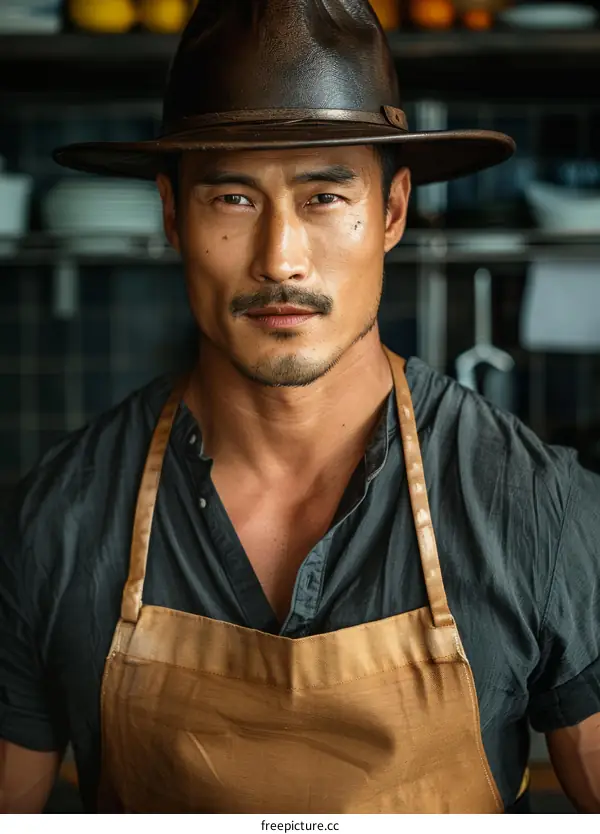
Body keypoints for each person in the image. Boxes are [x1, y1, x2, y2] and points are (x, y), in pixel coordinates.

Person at [1, 0, 599, 815]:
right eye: (233, 199)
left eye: (323, 197)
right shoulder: (55, 520)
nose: (280, 258)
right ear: (172, 214)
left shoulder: (540, 510)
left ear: (391, 212)